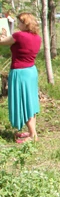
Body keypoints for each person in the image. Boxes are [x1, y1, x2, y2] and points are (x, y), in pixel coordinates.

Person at [0, 13, 42, 143]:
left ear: (25, 24)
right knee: (31, 102)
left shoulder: (19, 36)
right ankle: (31, 132)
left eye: (19, 22)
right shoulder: (37, 38)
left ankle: (33, 135)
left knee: (24, 103)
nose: (18, 25)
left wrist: (3, 32)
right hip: (31, 71)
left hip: (20, 72)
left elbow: (1, 42)